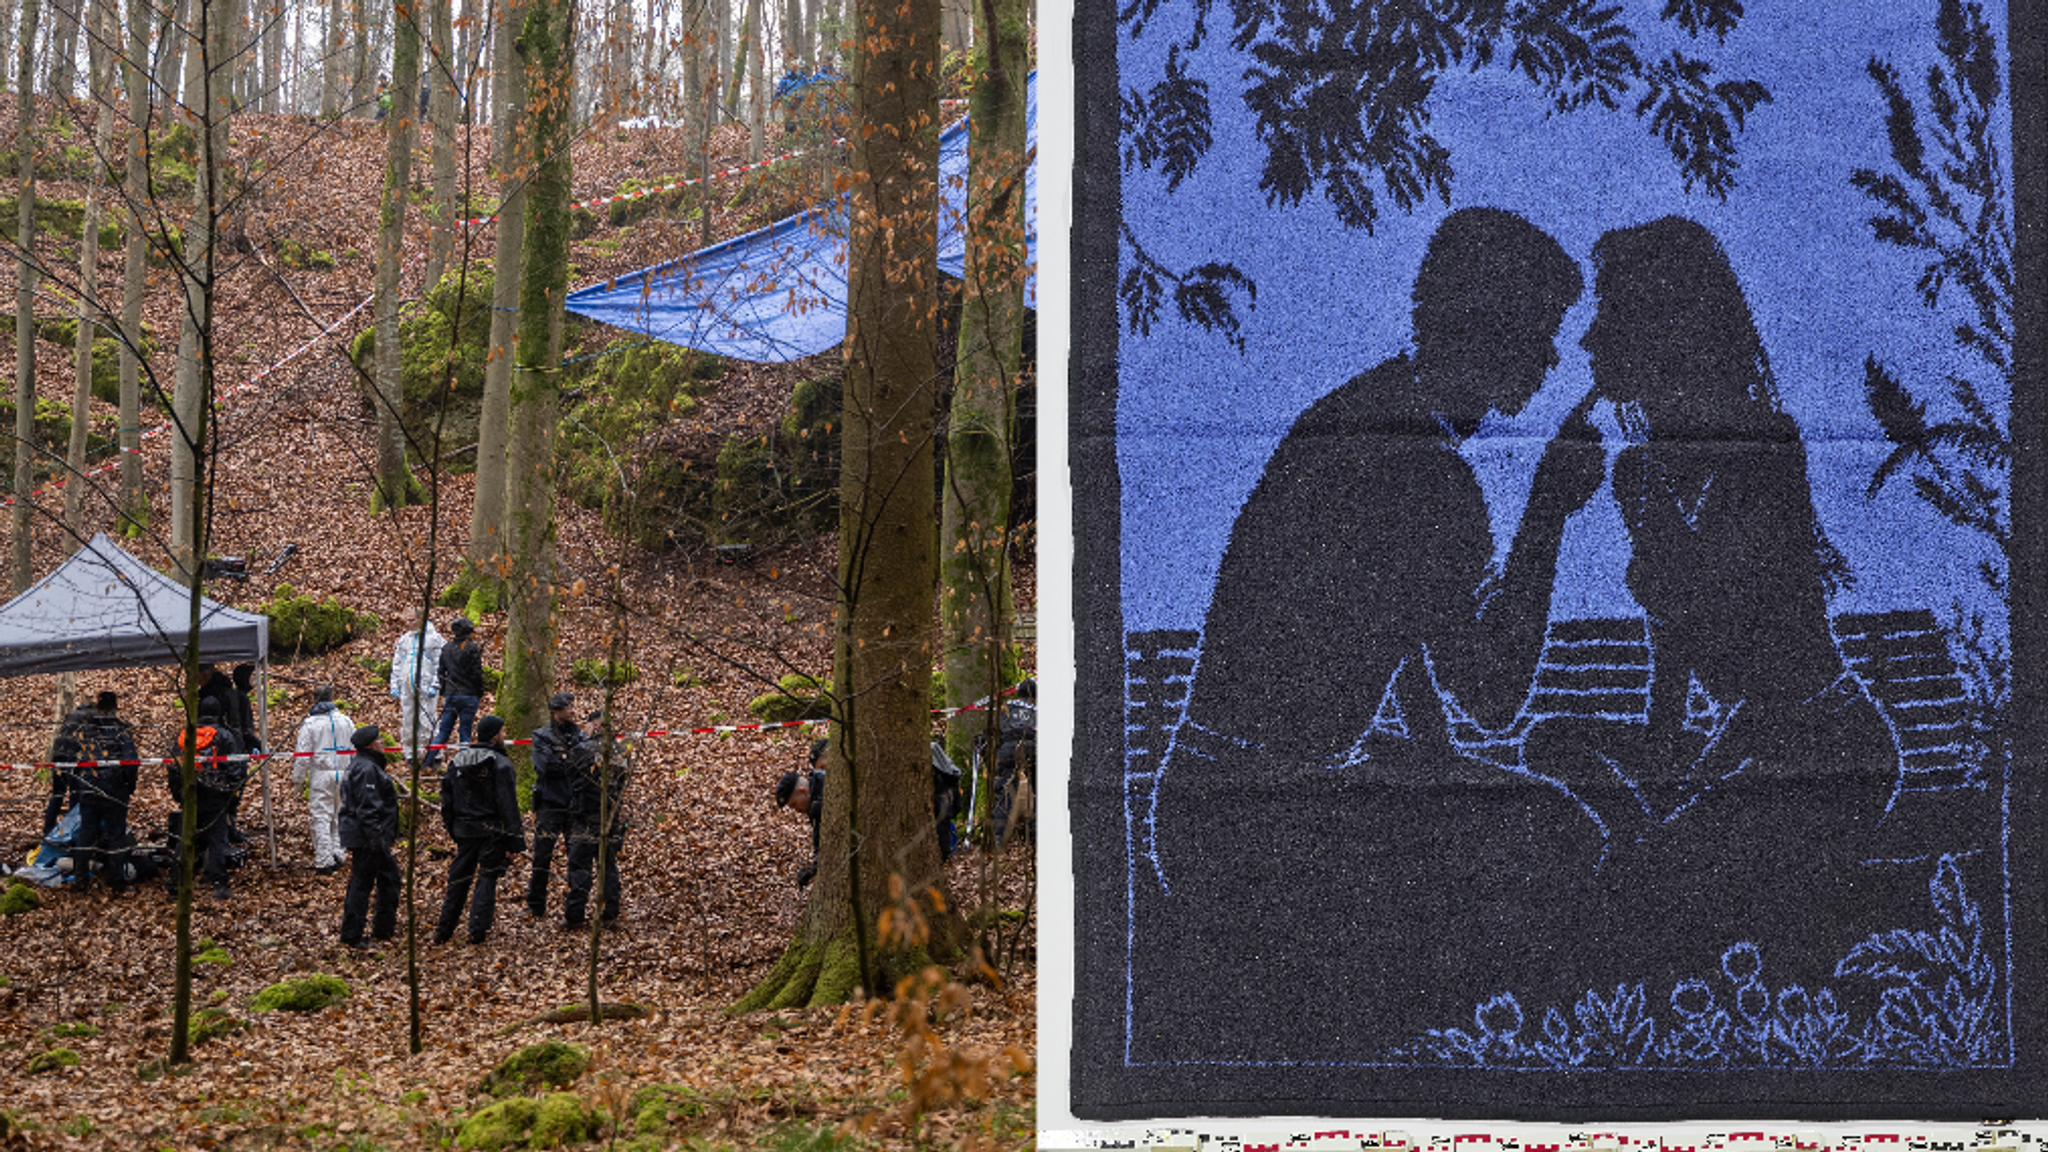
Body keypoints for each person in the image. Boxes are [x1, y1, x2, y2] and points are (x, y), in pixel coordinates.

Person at [1140, 207, 1608, 1059]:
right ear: (1491, 329)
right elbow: (1495, 699)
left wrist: (1434, 763)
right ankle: (1475, 1069)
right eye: (1540, 333)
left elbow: (1384, 628)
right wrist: (1547, 513)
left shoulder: (1361, 414)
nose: (1550, 358)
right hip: (1255, 823)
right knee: (1559, 835)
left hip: (1213, 799)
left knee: (1514, 813)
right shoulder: (1429, 478)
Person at [1521, 215, 1900, 990]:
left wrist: (1682, 794)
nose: (1590, 342)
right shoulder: (1638, 476)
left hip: (1826, 746)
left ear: (1665, 328)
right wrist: (1666, 774)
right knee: (1548, 742)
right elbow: (1674, 681)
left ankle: (1650, 874)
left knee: (1627, 903)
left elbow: (1735, 618)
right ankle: (1652, 864)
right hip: (1742, 740)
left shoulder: (1768, 450)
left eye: (1609, 317)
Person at [434, 715, 525, 944]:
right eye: (503, 732)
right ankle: (477, 931)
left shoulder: (456, 761)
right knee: (487, 878)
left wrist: (454, 830)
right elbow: (508, 805)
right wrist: (514, 841)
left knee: (458, 880)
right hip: (491, 831)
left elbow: (447, 803)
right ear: (494, 736)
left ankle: (444, 930)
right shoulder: (500, 764)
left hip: (465, 831)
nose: (505, 736)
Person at [53, 692, 139, 894]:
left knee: (86, 834)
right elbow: (131, 762)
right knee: (116, 834)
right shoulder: (121, 731)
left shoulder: (86, 730)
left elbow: (68, 756)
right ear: (116, 707)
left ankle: (81, 881)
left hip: (88, 787)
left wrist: (76, 782)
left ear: (98, 707)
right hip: (114, 789)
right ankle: (116, 882)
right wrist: (129, 786)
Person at [165, 695, 246, 901]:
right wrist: (231, 794)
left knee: (183, 841)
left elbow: (174, 768)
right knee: (217, 841)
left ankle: (175, 884)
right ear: (219, 713)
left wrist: (179, 794)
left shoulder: (184, 736)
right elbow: (236, 768)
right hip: (215, 797)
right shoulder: (225, 736)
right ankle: (218, 884)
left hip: (190, 795)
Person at [525, 692, 590, 918]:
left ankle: (574, 910)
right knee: (542, 856)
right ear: (556, 711)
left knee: (577, 857)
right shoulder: (541, 736)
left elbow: (585, 766)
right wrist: (568, 761)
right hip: (550, 804)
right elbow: (545, 767)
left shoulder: (581, 736)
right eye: (567, 707)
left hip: (574, 804)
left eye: (574, 705)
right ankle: (535, 905)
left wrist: (565, 760)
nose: (573, 710)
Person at [561, 714, 628, 929]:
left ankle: (575, 916)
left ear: (596, 725)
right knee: (608, 867)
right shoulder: (621, 750)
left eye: (588, 725)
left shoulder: (583, 749)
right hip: (610, 818)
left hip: (586, 818)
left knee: (580, 867)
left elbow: (569, 777)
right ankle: (610, 914)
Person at [338, 724, 401, 948]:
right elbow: (368, 808)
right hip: (367, 837)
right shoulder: (367, 770)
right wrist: (377, 838)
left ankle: (381, 928)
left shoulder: (364, 766)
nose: (383, 743)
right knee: (364, 883)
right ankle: (354, 934)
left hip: (366, 835)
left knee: (387, 878)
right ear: (370, 745)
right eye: (379, 740)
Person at [292, 685, 355, 875]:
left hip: (322, 773)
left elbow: (302, 756)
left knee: (321, 816)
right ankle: (338, 852)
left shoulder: (311, 724)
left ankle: (324, 859)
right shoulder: (346, 721)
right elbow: (355, 747)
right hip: (344, 772)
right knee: (338, 814)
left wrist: (297, 781)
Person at [389, 608, 444, 762]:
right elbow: (398, 663)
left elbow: (440, 664)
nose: (409, 624)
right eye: (407, 620)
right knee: (408, 720)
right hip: (407, 686)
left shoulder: (434, 639)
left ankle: (434, 754)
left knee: (428, 721)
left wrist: (435, 684)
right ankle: (411, 754)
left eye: (412, 620)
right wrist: (395, 684)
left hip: (426, 687)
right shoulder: (405, 639)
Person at [428, 616, 484, 766]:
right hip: (469, 695)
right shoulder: (472, 648)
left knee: (443, 733)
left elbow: (441, 673)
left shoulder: (447, 648)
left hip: (451, 696)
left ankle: (425, 764)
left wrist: (445, 691)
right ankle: (465, 766)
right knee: (465, 733)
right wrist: (479, 692)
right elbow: (477, 674)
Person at [774, 738, 827, 887]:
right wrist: (813, 869)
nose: (796, 810)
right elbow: (821, 841)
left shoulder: (825, 781)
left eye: (794, 804)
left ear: (802, 790)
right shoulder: (813, 808)